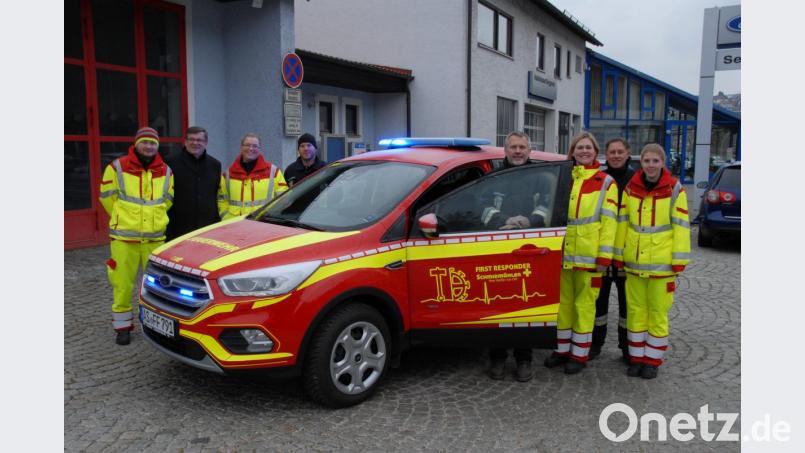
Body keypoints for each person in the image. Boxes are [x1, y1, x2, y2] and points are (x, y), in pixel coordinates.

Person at [543, 132, 618, 374]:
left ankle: (579, 354)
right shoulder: (564, 178)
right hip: (563, 254)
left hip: (589, 257)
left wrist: (604, 257)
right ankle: (562, 349)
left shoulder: (605, 182)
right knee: (563, 305)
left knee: (584, 307)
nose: (584, 151)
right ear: (572, 152)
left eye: (588, 148)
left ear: (596, 152)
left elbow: (609, 223)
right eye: (579, 147)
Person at [614, 144, 690, 379]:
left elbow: (681, 226)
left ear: (662, 163)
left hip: (662, 265)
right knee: (636, 312)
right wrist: (618, 255)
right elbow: (622, 224)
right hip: (634, 265)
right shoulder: (631, 188)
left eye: (655, 161)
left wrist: (679, 260)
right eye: (646, 161)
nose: (650, 165)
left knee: (657, 313)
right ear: (641, 163)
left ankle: (652, 360)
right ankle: (636, 358)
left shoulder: (675, 189)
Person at [99, 127, 174, 345]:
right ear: (136, 143)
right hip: (124, 239)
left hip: (154, 238)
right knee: (122, 284)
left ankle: (156, 325)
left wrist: (154, 217)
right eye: (145, 142)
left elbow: (168, 199)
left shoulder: (166, 170)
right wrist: (124, 218)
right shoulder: (117, 167)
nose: (149, 146)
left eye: (153, 143)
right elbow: (107, 198)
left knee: (157, 287)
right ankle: (122, 327)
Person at [486, 131, 547, 382]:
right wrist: (505, 221)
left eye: (523, 147)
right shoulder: (494, 176)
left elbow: (546, 206)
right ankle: (498, 357)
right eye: (514, 147)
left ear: (530, 150)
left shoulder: (540, 177)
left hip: (529, 247)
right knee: (499, 305)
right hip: (498, 244)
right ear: (506, 150)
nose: (518, 151)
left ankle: (524, 359)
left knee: (525, 305)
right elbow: (483, 207)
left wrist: (528, 221)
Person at [590, 138, 635, 362]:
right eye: (612, 152)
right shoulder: (601, 179)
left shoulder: (636, 180)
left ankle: (627, 347)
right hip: (603, 251)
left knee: (629, 305)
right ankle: (595, 343)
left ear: (628, 154)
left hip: (627, 254)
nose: (616, 155)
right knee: (599, 302)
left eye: (620, 152)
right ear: (605, 156)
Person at [163, 126, 225, 241]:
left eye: (199, 140)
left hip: (207, 229)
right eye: (191, 139)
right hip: (177, 228)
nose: (195, 143)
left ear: (206, 142)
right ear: (185, 142)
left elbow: (216, 195)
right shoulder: (170, 162)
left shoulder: (215, 165)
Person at [220, 133, 288, 219]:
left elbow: (283, 200)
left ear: (259, 149)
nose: (251, 149)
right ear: (241, 147)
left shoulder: (274, 172)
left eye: (255, 146)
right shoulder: (228, 174)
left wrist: (271, 218)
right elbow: (222, 200)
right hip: (235, 225)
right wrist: (226, 217)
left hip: (263, 224)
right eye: (247, 145)